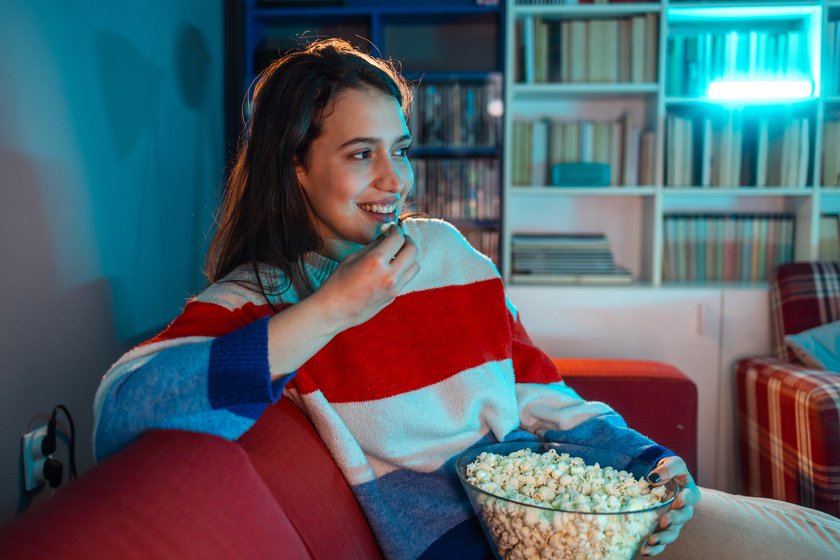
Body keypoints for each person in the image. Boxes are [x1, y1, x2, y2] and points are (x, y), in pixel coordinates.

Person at [93, 38, 840, 560]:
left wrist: (650, 465)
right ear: (294, 167)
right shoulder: (262, 300)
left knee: (821, 538)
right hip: (474, 544)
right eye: (361, 155)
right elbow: (122, 412)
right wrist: (334, 309)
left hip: (579, 518)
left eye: (402, 148)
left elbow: (537, 386)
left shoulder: (447, 251)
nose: (396, 180)